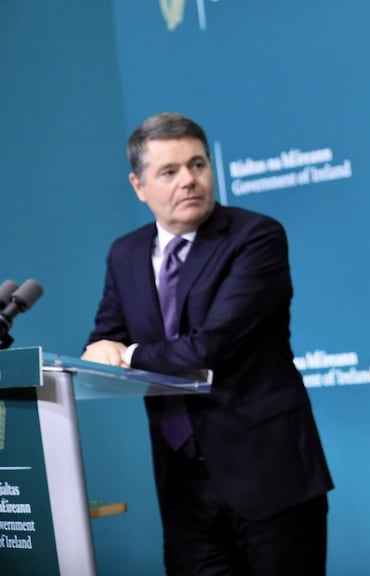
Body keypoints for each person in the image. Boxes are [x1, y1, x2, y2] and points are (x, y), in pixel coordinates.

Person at [83, 112, 333, 575]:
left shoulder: (255, 236)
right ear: (139, 186)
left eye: (197, 165)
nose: (188, 181)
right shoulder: (126, 253)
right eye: (170, 171)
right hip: (183, 487)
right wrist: (100, 349)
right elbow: (106, 333)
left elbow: (212, 345)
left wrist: (129, 356)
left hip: (268, 473)